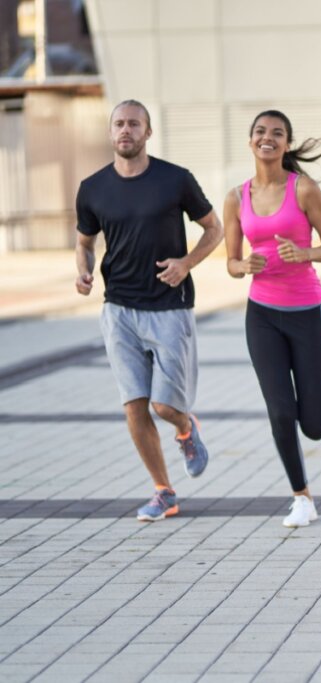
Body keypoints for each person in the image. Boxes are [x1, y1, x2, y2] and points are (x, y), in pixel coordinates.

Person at [75, 99, 224, 522]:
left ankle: (184, 427)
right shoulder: (92, 188)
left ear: (148, 132)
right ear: (110, 133)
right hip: (118, 310)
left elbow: (215, 229)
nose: (126, 130)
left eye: (134, 124)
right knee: (134, 406)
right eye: (119, 124)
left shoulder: (175, 180)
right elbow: (84, 242)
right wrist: (83, 273)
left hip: (169, 307)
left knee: (163, 405)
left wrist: (186, 263)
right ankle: (163, 492)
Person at [224, 109, 321, 529]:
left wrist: (305, 254)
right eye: (260, 132)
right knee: (280, 410)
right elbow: (230, 262)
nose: (268, 138)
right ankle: (302, 497)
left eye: (277, 133)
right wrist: (243, 266)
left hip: (307, 313)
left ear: (286, 144)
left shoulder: (304, 190)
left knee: (311, 424)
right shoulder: (235, 197)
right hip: (261, 315)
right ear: (250, 142)